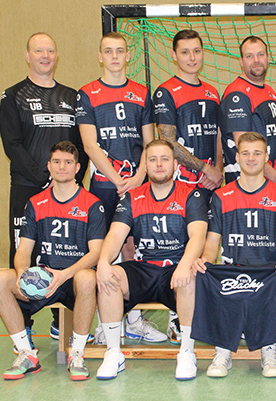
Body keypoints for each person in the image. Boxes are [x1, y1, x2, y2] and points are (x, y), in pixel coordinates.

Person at [91, 139, 208, 380]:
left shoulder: (191, 195)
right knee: (110, 275)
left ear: (175, 165)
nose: (159, 164)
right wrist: (103, 262)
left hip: (174, 269)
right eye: (153, 159)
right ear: (145, 165)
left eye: (164, 159)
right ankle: (113, 353)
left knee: (190, 276)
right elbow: (115, 235)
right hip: (143, 268)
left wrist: (185, 264)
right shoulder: (132, 197)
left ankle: (187, 352)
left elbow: (198, 236)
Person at [77, 32, 164, 343]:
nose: (114, 56)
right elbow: (89, 144)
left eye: (120, 51)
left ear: (128, 56)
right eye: (108, 51)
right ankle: (107, 322)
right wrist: (117, 179)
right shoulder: (87, 93)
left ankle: (134, 319)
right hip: (104, 185)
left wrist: (139, 176)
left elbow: (148, 142)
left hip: (137, 184)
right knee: (105, 250)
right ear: (99, 57)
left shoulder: (141, 93)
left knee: (133, 248)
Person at [0, 33, 89, 338]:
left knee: (63, 249)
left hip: (66, 190)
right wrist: (43, 178)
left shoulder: (72, 96)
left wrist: (71, 179)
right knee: (24, 251)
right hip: (28, 186)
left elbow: (81, 145)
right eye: (39, 51)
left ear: (56, 55)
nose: (45, 56)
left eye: (50, 51)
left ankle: (59, 319)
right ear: (28, 56)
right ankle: (23, 323)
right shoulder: (12, 96)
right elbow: (12, 144)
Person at [191, 132, 276, 378]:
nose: (251, 158)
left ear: (267, 157)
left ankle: (269, 350)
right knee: (205, 272)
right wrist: (204, 261)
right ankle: (223, 350)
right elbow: (212, 243)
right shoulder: (221, 196)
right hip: (233, 269)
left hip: (267, 271)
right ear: (237, 157)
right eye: (246, 153)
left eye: (257, 153)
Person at [0, 141, 105, 381]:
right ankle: (26, 354)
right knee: (2, 279)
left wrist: (63, 275)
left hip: (73, 280)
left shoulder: (92, 204)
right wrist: (22, 273)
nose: (62, 167)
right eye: (56, 162)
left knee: (87, 278)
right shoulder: (35, 203)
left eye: (68, 162)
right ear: (49, 166)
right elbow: (23, 249)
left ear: (77, 168)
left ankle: (77, 353)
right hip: (44, 280)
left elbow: (96, 253)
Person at [154, 29, 221, 343]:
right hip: (181, 183)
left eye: (197, 51)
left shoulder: (211, 91)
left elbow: (217, 135)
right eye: (185, 52)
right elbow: (167, 140)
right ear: (174, 55)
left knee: (206, 246)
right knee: (180, 245)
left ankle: (202, 311)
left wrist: (216, 169)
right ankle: (175, 317)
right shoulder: (166, 91)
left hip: (209, 183)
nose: (192, 57)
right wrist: (203, 167)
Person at [219, 35, 276, 187]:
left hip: (274, 182)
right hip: (250, 186)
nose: (256, 60)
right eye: (249, 56)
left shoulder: (269, 91)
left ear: (268, 57)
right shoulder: (237, 94)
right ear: (241, 61)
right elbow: (244, 146)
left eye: (260, 54)